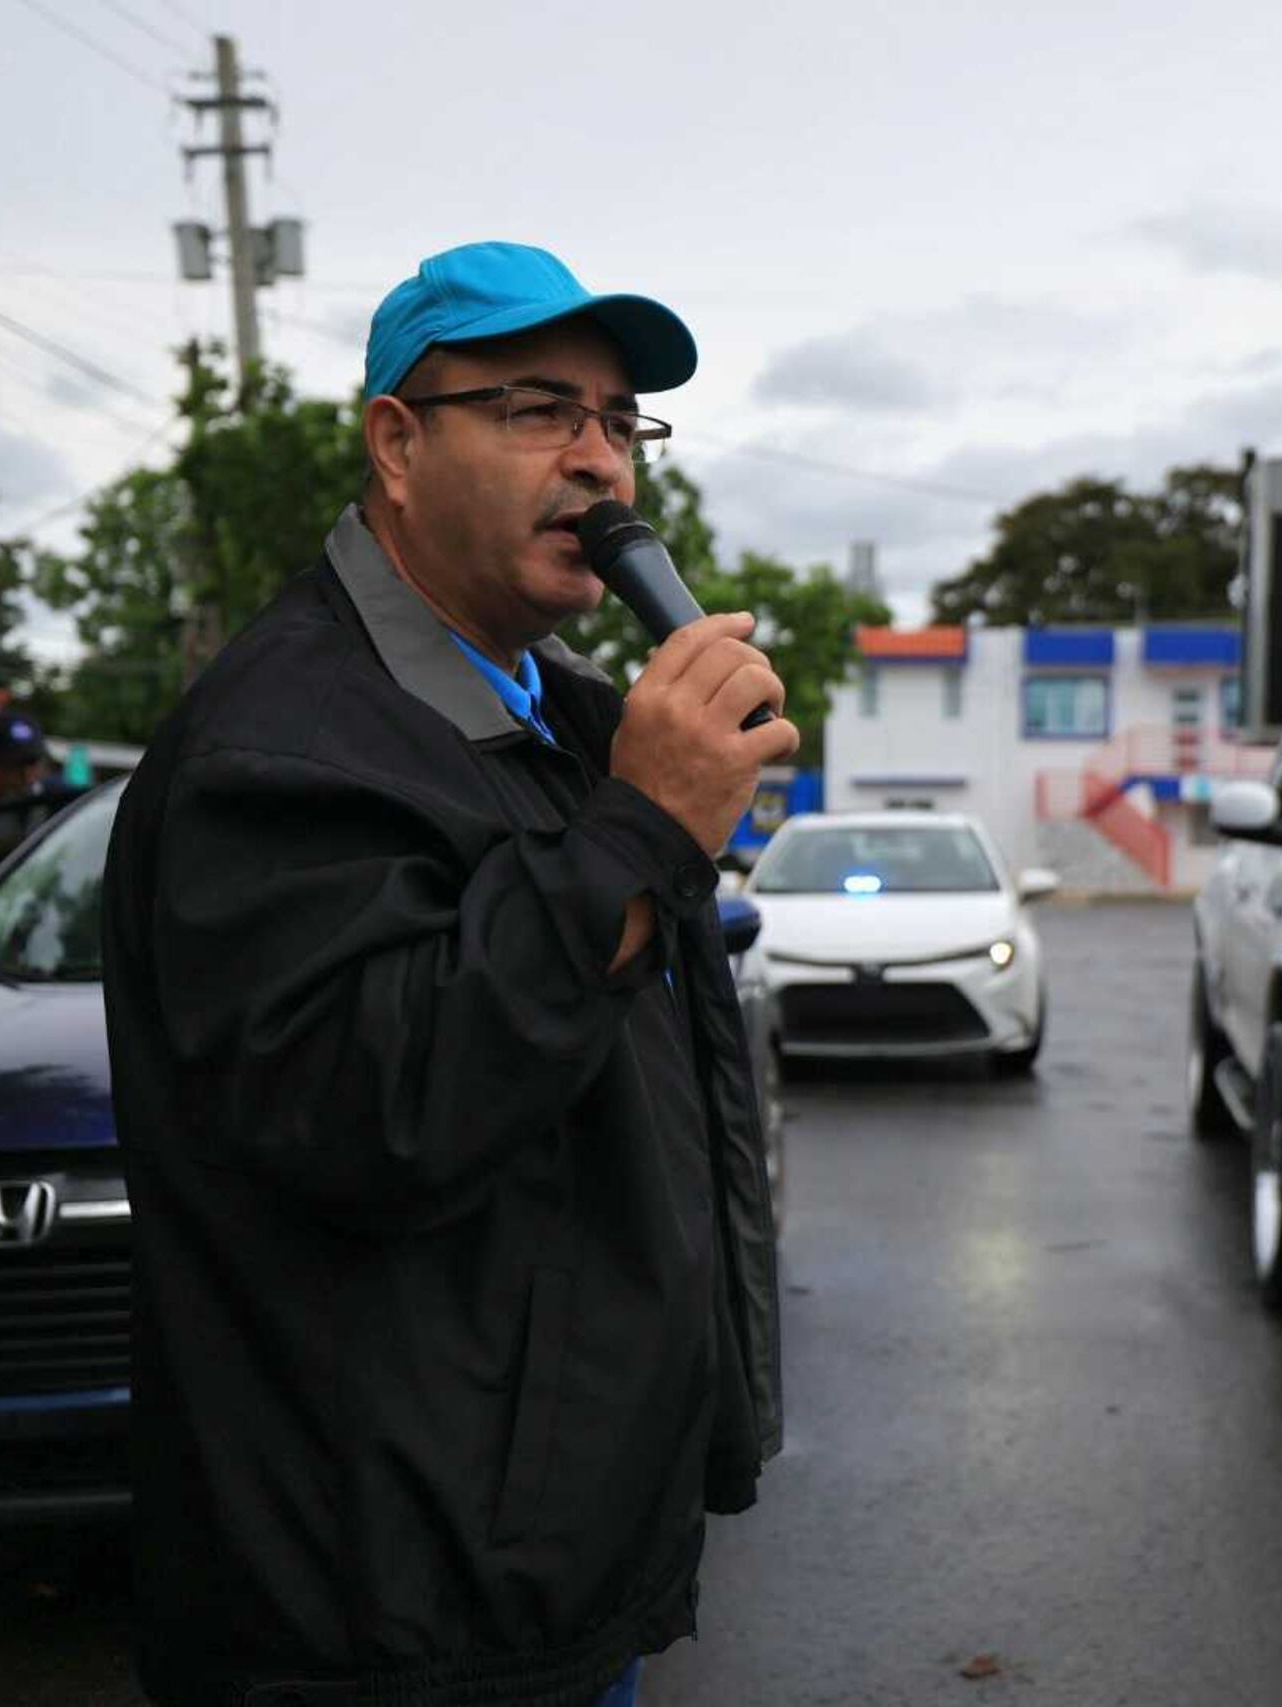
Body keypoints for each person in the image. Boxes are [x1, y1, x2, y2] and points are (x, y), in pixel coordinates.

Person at [101, 241, 795, 1707]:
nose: (601, 465)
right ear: (397, 444)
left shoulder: (570, 714)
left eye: (620, 422)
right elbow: (380, 1105)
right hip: (391, 1622)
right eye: (541, 408)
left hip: (555, 1571)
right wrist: (641, 830)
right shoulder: (283, 742)